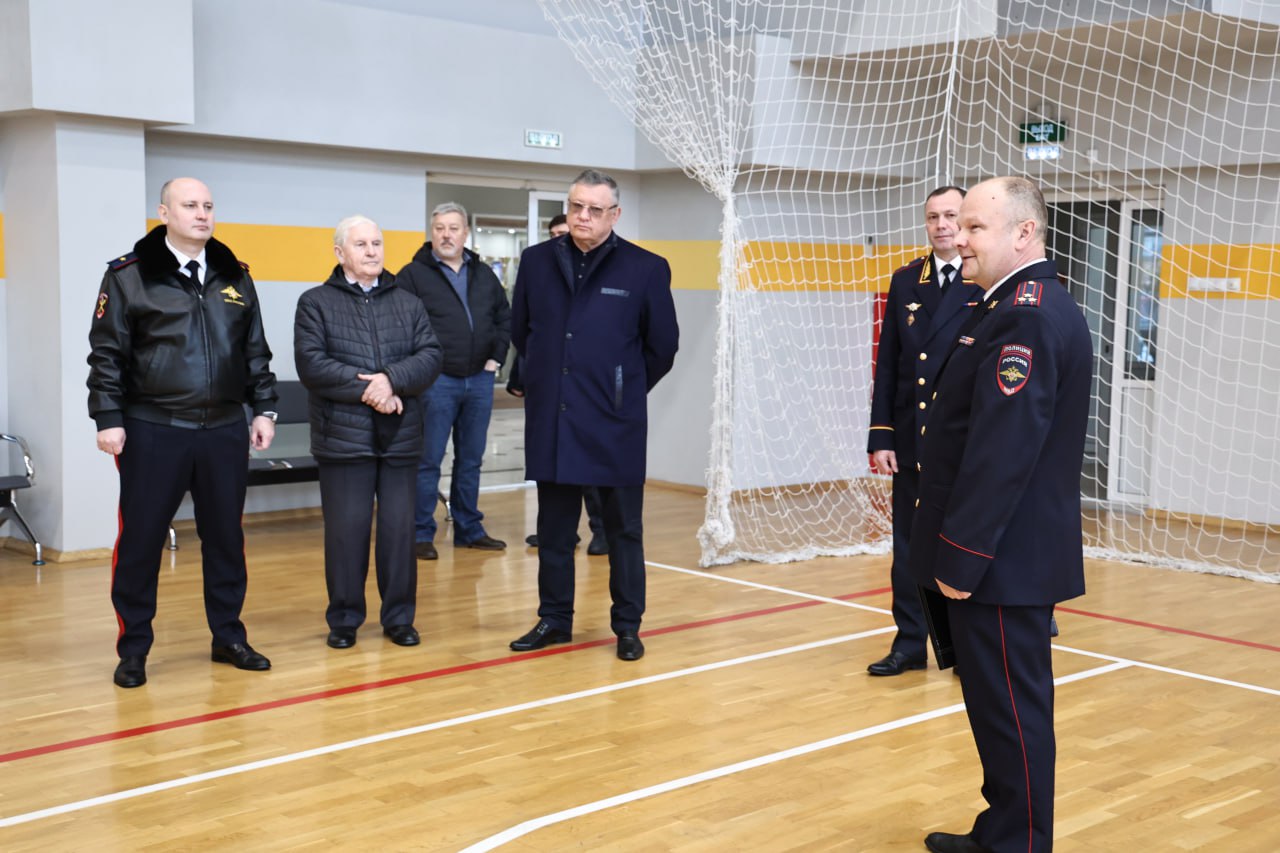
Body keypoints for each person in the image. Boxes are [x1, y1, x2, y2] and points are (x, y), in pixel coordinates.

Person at [908, 177, 1091, 853]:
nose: (959, 236)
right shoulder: (1006, 305)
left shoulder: (1027, 316)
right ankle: (1003, 831)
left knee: (1012, 715)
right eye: (959, 226)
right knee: (995, 711)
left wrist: (962, 557)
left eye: (976, 226)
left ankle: (1017, 844)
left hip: (1000, 562)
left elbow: (1002, 453)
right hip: (1000, 559)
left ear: (1024, 233)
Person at [87, 177, 278, 688]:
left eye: (208, 205)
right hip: (154, 429)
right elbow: (106, 354)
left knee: (225, 539)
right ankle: (133, 650)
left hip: (222, 430)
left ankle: (229, 637)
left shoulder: (234, 274)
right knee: (142, 541)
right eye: (190, 205)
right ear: (164, 212)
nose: (201, 214)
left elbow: (255, 349)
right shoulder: (128, 277)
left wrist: (265, 410)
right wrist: (108, 418)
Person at [508, 169, 679, 661]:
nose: (582, 217)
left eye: (594, 209)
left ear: (615, 215)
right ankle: (554, 619)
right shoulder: (537, 262)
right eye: (576, 206)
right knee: (556, 530)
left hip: (615, 424)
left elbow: (662, 346)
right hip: (554, 421)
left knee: (624, 530)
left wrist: (621, 392)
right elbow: (524, 331)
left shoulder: (645, 268)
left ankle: (628, 625)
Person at [294, 216, 443, 650]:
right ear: (340, 253)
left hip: (399, 437)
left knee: (399, 534)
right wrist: (375, 390)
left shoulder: (408, 301)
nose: (372, 251)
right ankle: (344, 619)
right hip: (343, 439)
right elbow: (312, 364)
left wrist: (392, 379)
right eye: (361, 244)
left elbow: (431, 355)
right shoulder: (315, 302)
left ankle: (399, 618)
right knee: (347, 533)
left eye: (377, 243)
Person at [866, 185, 982, 676]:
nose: (942, 226)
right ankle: (911, 643)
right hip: (913, 440)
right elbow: (889, 363)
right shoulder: (907, 280)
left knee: (962, 545)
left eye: (951, 216)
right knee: (908, 550)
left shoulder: (984, 280)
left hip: (964, 443)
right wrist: (882, 435)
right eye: (933, 216)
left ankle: (964, 649)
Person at [397, 202, 512, 560]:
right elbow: (402, 327)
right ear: (431, 233)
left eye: (453, 228)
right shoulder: (412, 275)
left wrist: (496, 358)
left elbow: (503, 317)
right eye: (440, 228)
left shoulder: (482, 274)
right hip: (436, 382)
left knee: (472, 459)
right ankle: (419, 533)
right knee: (428, 459)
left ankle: (469, 528)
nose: (446, 235)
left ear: (466, 233)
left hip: (479, 379)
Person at [509, 213, 608, 557]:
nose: (558, 239)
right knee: (552, 467)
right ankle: (555, 530)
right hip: (550, 391)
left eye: (562, 233)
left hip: (590, 394)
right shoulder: (538, 269)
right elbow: (523, 332)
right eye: (553, 234)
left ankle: (601, 530)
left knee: (590, 472)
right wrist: (521, 378)